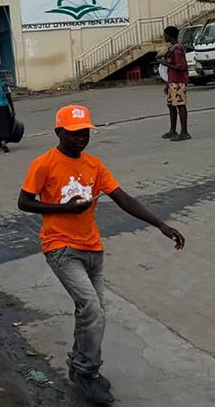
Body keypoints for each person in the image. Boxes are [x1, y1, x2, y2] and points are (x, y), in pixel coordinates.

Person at [17, 105, 185, 405]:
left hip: (93, 249)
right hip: (60, 248)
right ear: (59, 133)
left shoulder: (94, 165)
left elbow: (122, 198)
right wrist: (64, 209)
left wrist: (160, 224)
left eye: (85, 133)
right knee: (92, 310)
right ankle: (86, 372)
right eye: (74, 133)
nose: (81, 138)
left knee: (94, 314)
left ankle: (80, 364)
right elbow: (24, 202)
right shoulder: (44, 164)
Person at [158, 26, 191, 141]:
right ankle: (173, 130)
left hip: (178, 81)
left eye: (165, 34)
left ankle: (184, 132)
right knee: (171, 105)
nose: (164, 37)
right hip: (172, 80)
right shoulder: (172, 49)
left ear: (169, 35)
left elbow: (181, 67)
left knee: (180, 105)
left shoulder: (177, 50)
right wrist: (167, 83)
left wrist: (165, 64)